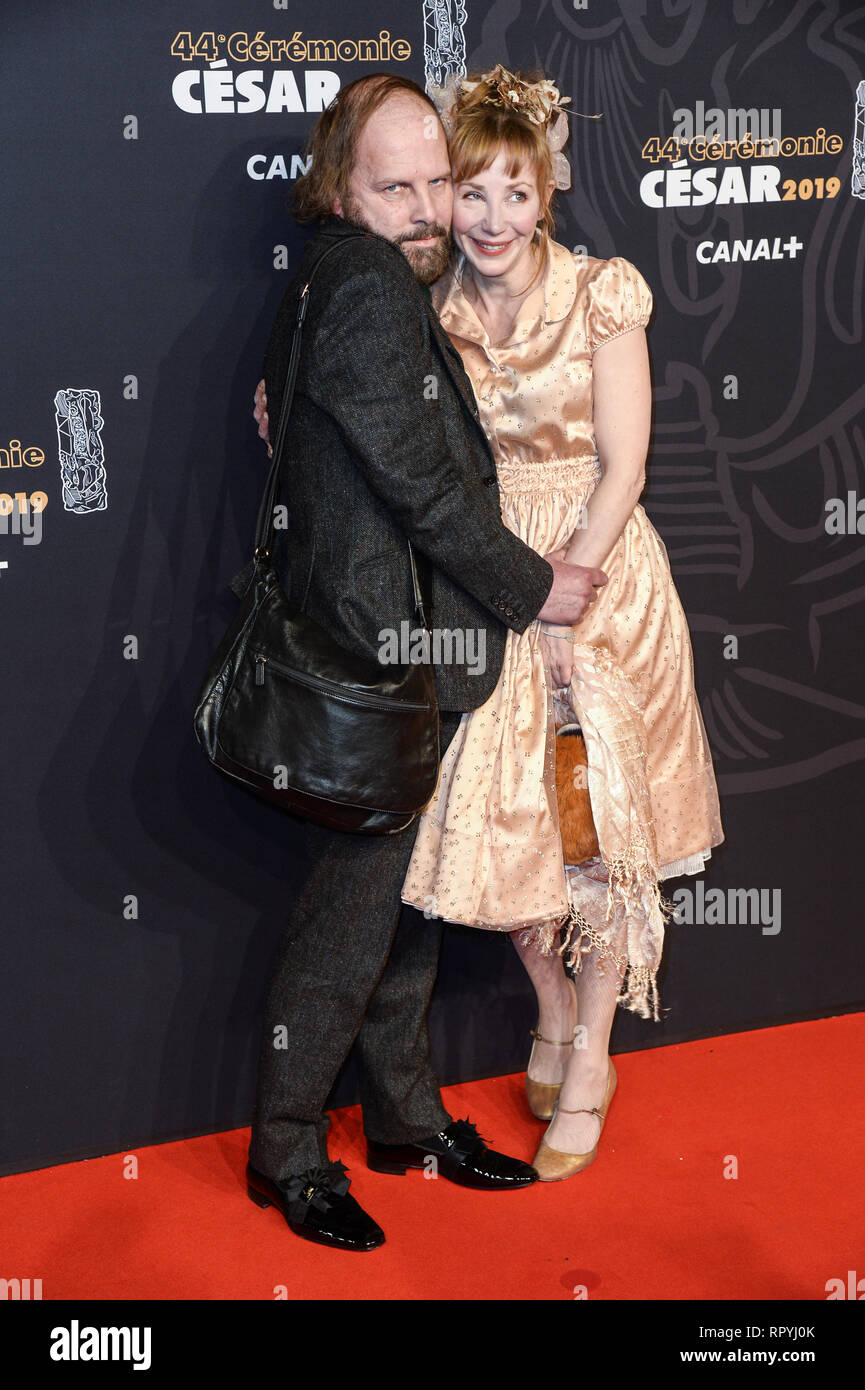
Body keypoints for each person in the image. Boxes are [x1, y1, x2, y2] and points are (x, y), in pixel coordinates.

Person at [244, 71, 606, 1251]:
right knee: (350, 918)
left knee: (396, 903)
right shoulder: (361, 280)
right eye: (392, 185)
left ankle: (402, 1121)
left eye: (436, 182)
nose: (423, 208)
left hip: (406, 657)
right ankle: (287, 1150)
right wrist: (530, 581)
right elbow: (420, 482)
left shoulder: (365, 283)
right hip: (371, 656)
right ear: (341, 191)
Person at [398, 66, 724, 1180]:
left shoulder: (603, 292)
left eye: (514, 194)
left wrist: (563, 591)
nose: (491, 219)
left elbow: (626, 466)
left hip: (598, 584)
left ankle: (590, 1054)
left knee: (598, 839)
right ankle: (549, 1009)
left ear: (548, 195)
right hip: (487, 581)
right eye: (471, 194)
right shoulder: (429, 302)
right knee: (508, 832)